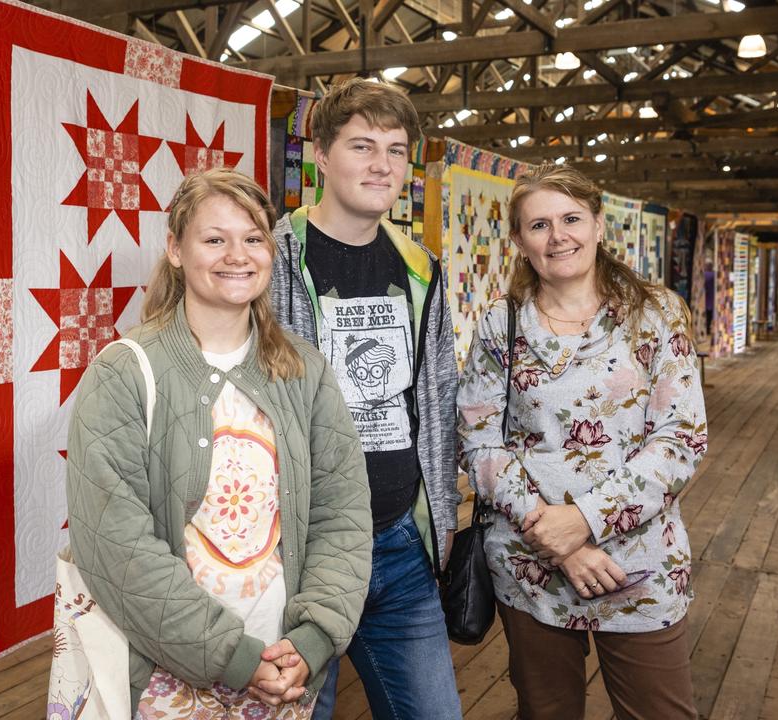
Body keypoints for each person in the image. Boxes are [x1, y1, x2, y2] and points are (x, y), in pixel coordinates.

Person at [65, 168, 373, 717]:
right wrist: (232, 656)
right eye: (215, 239)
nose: (238, 254)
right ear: (176, 250)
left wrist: (314, 638)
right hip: (167, 677)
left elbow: (342, 515)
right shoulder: (124, 373)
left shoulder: (305, 372)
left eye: (253, 238)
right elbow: (117, 546)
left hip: (284, 666)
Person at [458, 164, 707, 720]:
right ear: (520, 240)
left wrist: (587, 521)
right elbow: (478, 440)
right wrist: (559, 538)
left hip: (638, 561)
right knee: (546, 712)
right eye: (539, 225)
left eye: (571, 218)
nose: (558, 236)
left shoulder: (655, 314)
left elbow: (681, 438)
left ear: (598, 224)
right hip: (531, 562)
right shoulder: (503, 323)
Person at [268, 78, 463, 720]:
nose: (381, 164)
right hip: (300, 553)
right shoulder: (268, 258)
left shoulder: (419, 267)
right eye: (361, 145)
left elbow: (435, 397)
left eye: (396, 149)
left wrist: (439, 523)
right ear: (320, 155)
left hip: (400, 543)